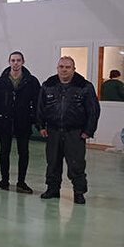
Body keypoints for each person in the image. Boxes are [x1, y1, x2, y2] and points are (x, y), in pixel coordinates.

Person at [37, 56, 100, 204]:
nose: (64, 70)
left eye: (67, 67)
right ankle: (52, 189)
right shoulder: (48, 85)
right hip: (53, 131)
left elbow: (93, 111)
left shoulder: (85, 86)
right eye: (61, 67)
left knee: (76, 164)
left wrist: (88, 131)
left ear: (74, 69)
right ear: (57, 68)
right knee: (52, 162)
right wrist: (41, 126)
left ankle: (78, 192)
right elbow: (40, 107)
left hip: (75, 132)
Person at [0, 51, 40, 193]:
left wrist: (34, 119)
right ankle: (4, 181)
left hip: (23, 122)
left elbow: (37, 102)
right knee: (4, 152)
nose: (16, 63)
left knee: (23, 152)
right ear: (9, 62)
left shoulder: (32, 81)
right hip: (4, 122)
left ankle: (21, 182)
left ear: (23, 62)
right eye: (13, 60)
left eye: (18, 60)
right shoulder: (0, 82)